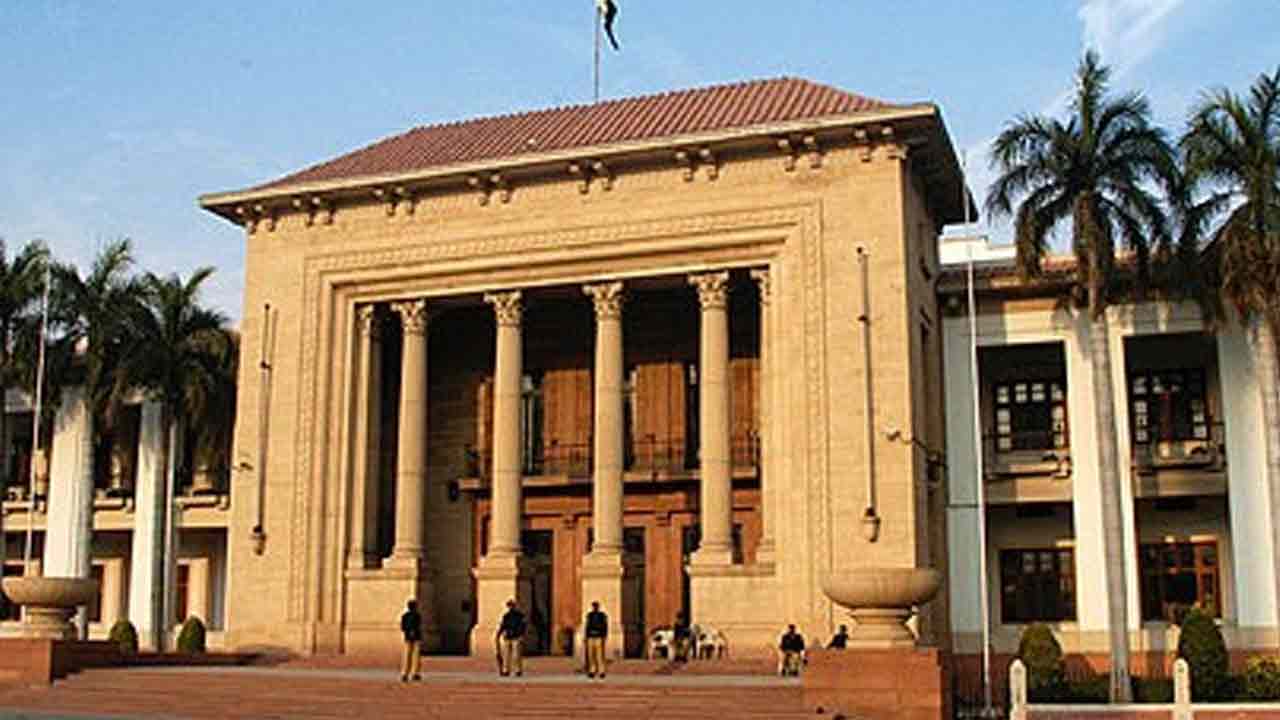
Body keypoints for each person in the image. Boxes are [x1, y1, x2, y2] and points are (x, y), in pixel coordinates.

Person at [496, 599, 527, 677]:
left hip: (516, 636)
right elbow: (503, 625)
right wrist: (498, 634)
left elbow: (523, 626)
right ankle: (506, 670)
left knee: (516, 655)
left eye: (512, 606)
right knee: (506, 655)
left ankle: (518, 670)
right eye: (509, 606)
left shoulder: (519, 616)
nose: (511, 607)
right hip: (508, 636)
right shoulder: (506, 616)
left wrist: (521, 635)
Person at [399, 599, 423, 682]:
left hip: (408, 637)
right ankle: (415, 673)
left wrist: (408, 631)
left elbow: (402, 627)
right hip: (416, 637)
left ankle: (405, 673)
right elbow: (418, 625)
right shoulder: (417, 615)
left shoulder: (404, 616)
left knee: (407, 655)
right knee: (416, 656)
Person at [584, 601, 609, 679]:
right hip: (591, 636)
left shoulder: (602, 615)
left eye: (596, 606)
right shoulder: (590, 615)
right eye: (594, 606)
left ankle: (601, 671)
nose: (595, 607)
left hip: (598, 636)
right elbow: (587, 626)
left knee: (599, 655)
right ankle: (592, 670)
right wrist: (586, 636)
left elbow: (605, 626)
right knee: (591, 655)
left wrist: (604, 636)